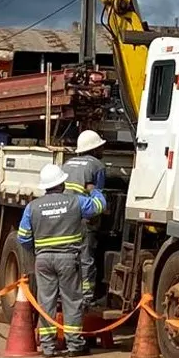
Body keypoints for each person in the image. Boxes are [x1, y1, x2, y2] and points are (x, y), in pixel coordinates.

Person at [17, 163, 106, 357]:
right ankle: (74, 345)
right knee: (72, 301)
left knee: (46, 301)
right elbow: (100, 206)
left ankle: (48, 347)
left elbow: (23, 236)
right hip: (68, 259)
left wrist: (38, 250)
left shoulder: (33, 207)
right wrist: (94, 190)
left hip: (43, 260)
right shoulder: (76, 201)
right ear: (62, 183)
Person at [61, 130, 107, 308]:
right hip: (83, 217)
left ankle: (64, 291)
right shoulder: (97, 165)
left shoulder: (67, 163)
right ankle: (87, 296)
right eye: (100, 146)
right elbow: (98, 195)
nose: (102, 149)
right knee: (86, 257)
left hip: (64, 215)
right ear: (95, 149)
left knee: (67, 255)